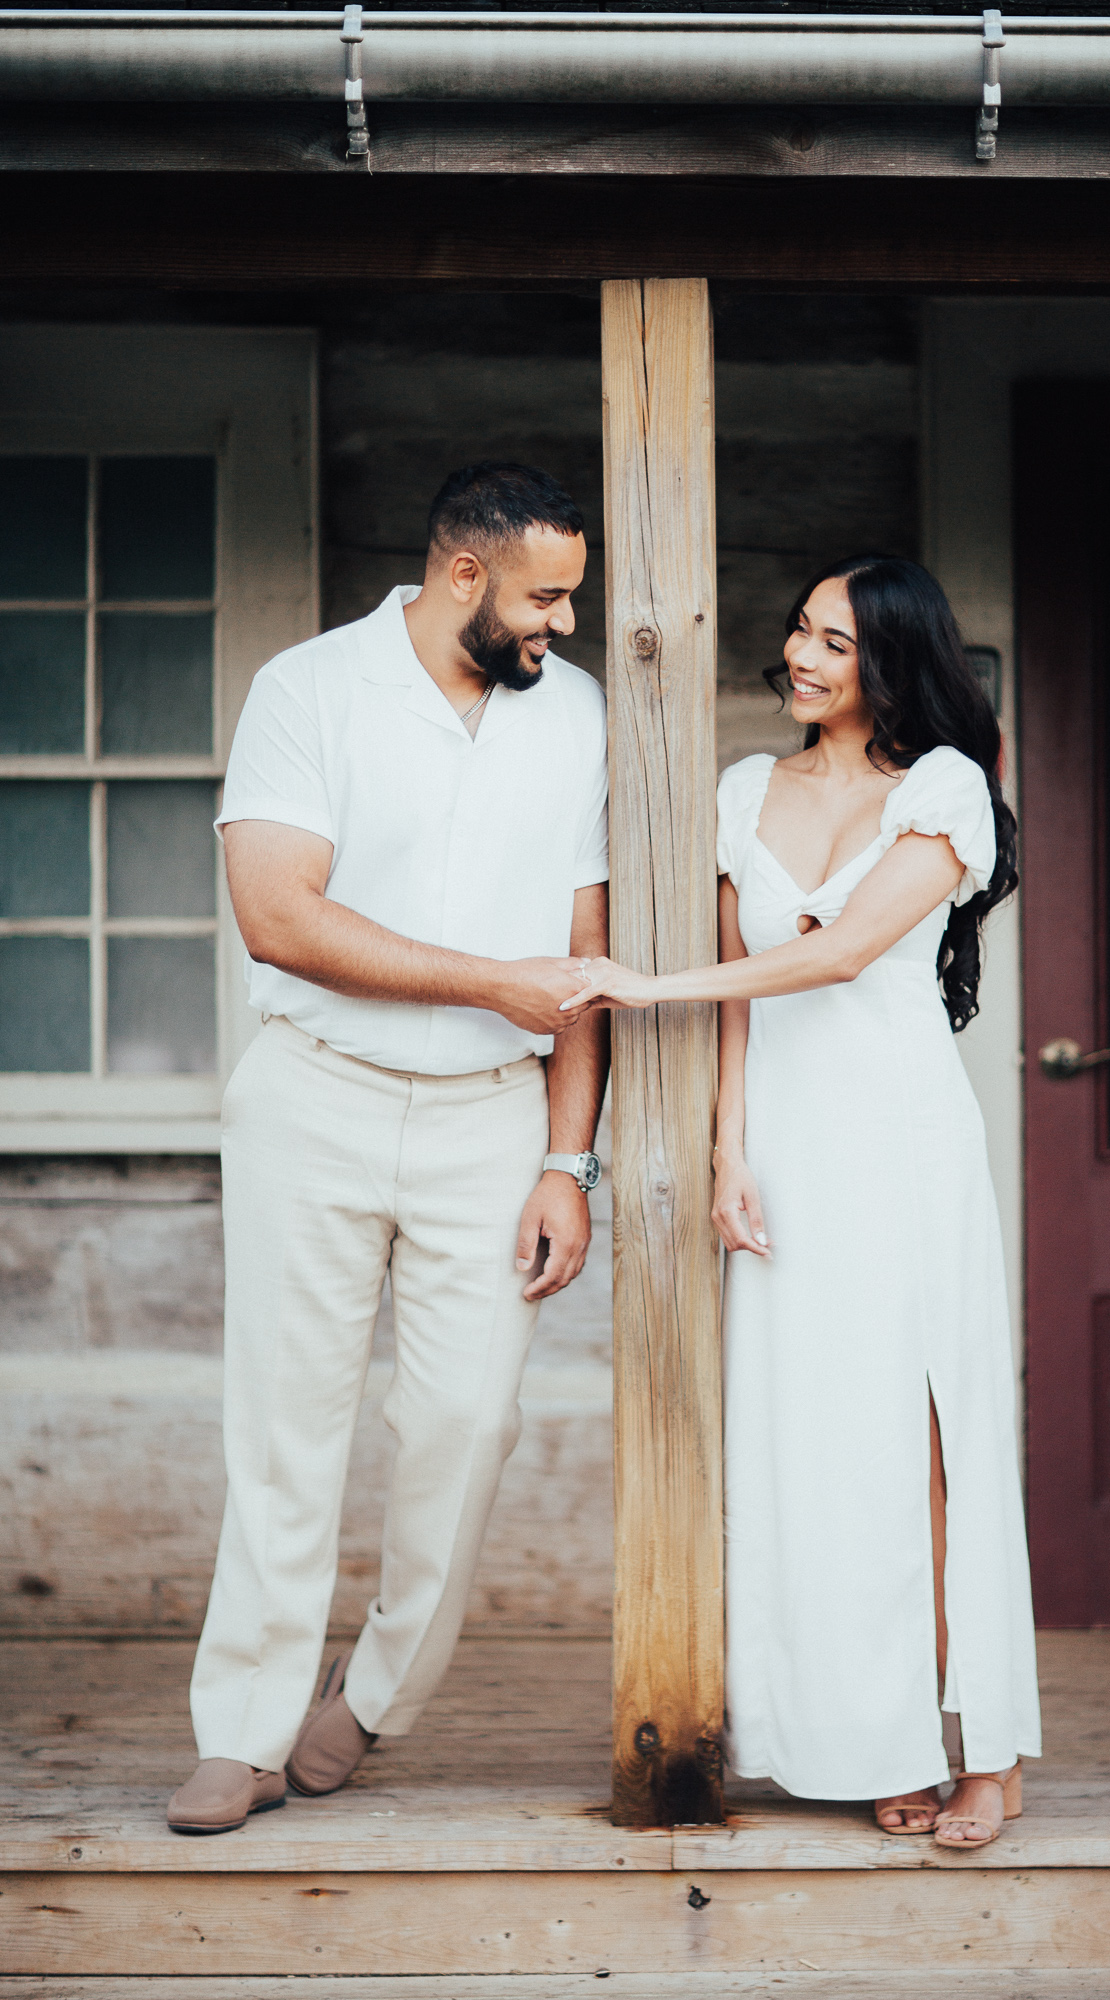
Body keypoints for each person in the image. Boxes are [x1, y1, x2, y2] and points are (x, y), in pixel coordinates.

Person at [568, 555, 1042, 1849]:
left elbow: (833, 955)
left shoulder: (942, 789)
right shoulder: (742, 790)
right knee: (813, 1446)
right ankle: (861, 1740)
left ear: (890, 655)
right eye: (797, 631)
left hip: (900, 1141)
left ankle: (985, 1756)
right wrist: (729, 1149)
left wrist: (640, 988)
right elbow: (749, 994)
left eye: (833, 639)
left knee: (928, 1449)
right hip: (785, 1141)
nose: (801, 654)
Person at [167, 462, 610, 1834]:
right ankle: (239, 1730)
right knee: (287, 1426)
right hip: (316, 1094)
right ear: (462, 577)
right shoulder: (307, 691)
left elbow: (580, 960)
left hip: (493, 1120)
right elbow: (280, 918)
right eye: (545, 597)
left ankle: (368, 1699)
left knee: (466, 1425)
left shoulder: (575, 714)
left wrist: (566, 1161)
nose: (564, 626)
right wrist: (492, 980)